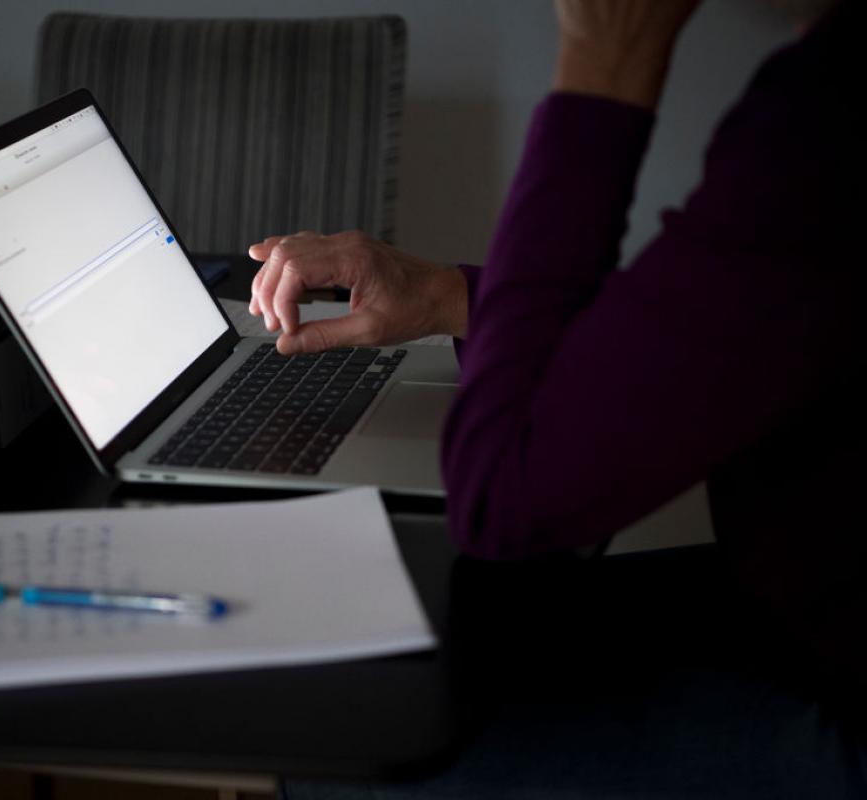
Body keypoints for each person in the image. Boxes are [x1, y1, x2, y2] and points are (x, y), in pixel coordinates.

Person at [252, 1, 866, 796]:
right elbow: (706, 342)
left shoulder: (830, 116)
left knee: (331, 746)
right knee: (420, 647)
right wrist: (442, 296)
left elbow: (503, 498)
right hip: (797, 598)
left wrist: (604, 60)